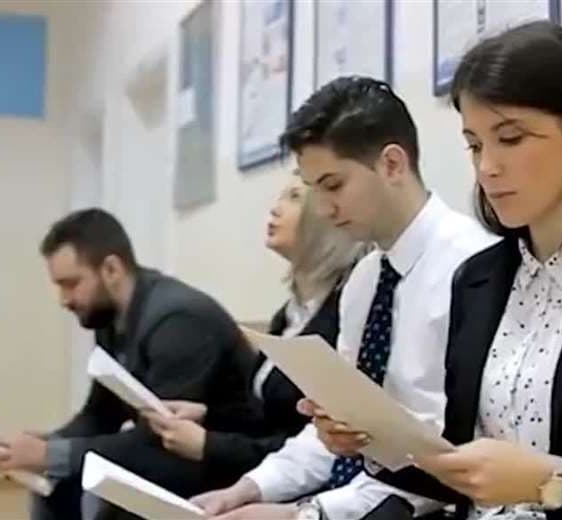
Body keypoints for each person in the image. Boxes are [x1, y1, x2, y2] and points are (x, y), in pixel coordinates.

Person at [318, 21, 562, 519]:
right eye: (475, 145)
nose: (487, 168)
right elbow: (465, 466)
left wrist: (553, 482)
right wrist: (371, 439)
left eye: (511, 138)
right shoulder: (477, 279)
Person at [191, 76, 495, 520]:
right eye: (313, 188)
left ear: (392, 165)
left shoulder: (473, 269)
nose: (322, 208)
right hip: (359, 500)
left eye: (333, 185)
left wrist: (306, 514)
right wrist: (247, 489)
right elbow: (338, 428)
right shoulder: (364, 281)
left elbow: (448, 455)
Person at [0, 209, 261, 520]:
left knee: (81, 479)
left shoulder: (178, 321)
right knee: (57, 481)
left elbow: (158, 440)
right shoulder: (111, 318)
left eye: (71, 284)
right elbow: (100, 414)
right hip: (173, 458)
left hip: (222, 463)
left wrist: (49, 455)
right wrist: (44, 445)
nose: (64, 299)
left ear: (111, 269)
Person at [141, 174, 365, 479]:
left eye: (294, 197)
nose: (275, 208)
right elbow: (263, 416)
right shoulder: (290, 313)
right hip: (261, 473)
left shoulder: (345, 314)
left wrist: (210, 446)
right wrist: (207, 416)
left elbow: (312, 446)